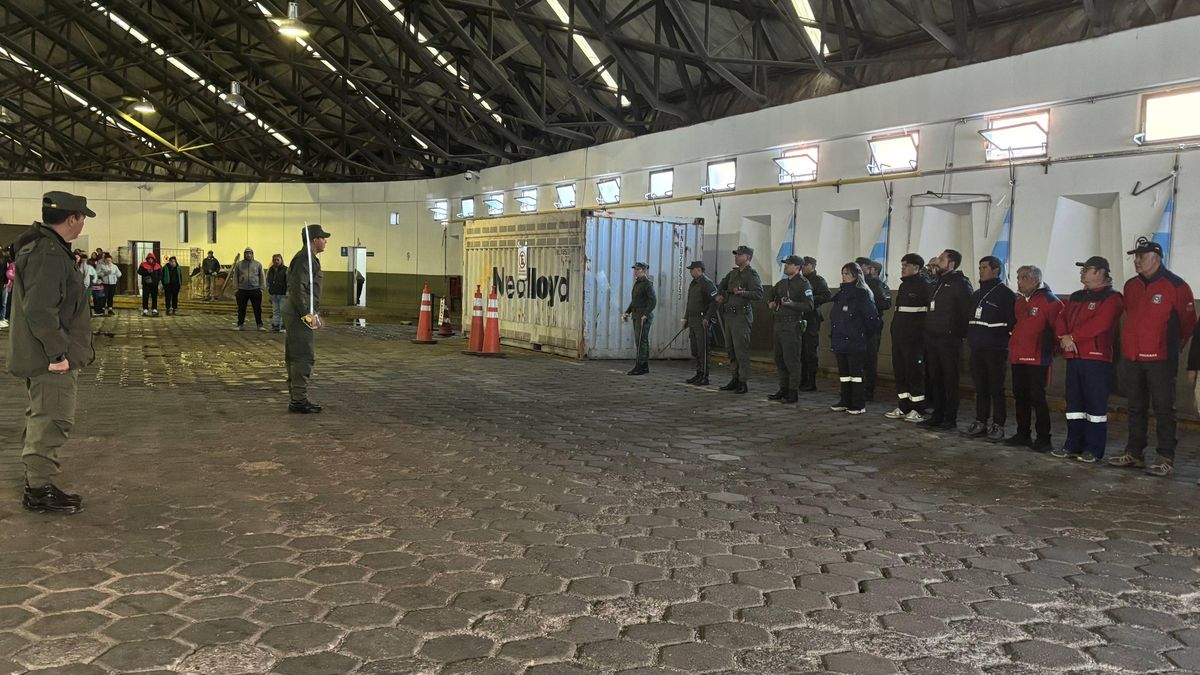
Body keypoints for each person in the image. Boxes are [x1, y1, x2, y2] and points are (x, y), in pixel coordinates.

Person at [7, 191, 96, 513]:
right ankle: (39, 490)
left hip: (39, 354)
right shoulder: (49, 254)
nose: (83, 222)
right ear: (71, 219)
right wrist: (58, 355)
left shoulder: (43, 247)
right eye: (82, 217)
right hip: (48, 358)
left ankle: (38, 481)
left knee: (42, 415)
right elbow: (41, 311)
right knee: (53, 418)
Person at [1108, 237, 1196, 476]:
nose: (1136, 261)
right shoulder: (1131, 286)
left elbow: (1188, 323)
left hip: (1161, 358)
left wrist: (1172, 346)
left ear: (1156, 258)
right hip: (1133, 357)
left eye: (1141, 257)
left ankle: (1165, 455)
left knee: (1164, 408)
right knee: (1135, 406)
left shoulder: (1176, 286)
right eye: (1135, 257)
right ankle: (1134, 453)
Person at [1054, 256, 1123, 462]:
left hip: (1096, 358)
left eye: (1087, 269)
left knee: (1095, 405)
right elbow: (1061, 318)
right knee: (1074, 404)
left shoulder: (1112, 297)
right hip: (1073, 355)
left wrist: (1072, 337)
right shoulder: (1076, 296)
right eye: (1082, 269)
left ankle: (1094, 449)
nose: (1082, 273)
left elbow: (1101, 323)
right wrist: (1064, 338)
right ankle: (1073, 444)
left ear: (1101, 272)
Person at [1007, 265, 1063, 451]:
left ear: (1036, 280)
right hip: (1019, 356)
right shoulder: (1019, 301)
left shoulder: (1050, 302)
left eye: (1024, 278)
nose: (1019, 282)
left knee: (1037, 398)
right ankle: (1023, 433)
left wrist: (1050, 350)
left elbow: (1058, 329)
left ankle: (1043, 438)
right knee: (1020, 396)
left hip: (1038, 357)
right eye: (1018, 278)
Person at [919, 249, 974, 432]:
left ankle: (950, 418)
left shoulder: (960, 284)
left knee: (950, 380)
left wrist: (957, 332)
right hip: (932, 338)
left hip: (949, 340)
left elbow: (967, 311)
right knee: (935, 378)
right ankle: (937, 415)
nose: (937, 262)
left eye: (941, 259)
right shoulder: (938, 283)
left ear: (951, 264)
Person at [964, 256, 1016, 441]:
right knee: (980, 387)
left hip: (995, 349)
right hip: (977, 348)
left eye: (984, 267)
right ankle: (981, 420)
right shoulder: (977, 294)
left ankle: (998, 424)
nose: (981, 271)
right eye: (979, 267)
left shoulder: (1006, 295)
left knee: (996, 388)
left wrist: (1002, 341)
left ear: (996, 270)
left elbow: (1013, 323)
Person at [284, 224, 330, 413]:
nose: (325, 241)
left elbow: (307, 291)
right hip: (298, 314)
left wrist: (313, 313)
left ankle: (297, 398)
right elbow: (298, 289)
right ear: (314, 240)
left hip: (298, 312)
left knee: (295, 356)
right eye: (322, 237)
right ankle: (299, 400)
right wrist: (307, 315)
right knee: (303, 356)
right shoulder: (305, 259)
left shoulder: (309, 259)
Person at [829, 262, 881, 415]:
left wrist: (862, 335)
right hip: (840, 339)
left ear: (855, 275)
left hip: (855, 341)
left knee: (856, 374)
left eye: (847, 273)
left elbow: (871, 318)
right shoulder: (842, 293)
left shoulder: (861, 294)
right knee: (844, 374)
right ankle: (845, 400)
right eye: (843, 273)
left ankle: (858, 403)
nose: (844, 276)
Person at [886, 253, 931, 422]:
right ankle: (903, 406)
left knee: (915, 373)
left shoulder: (924, 286)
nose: (902, 268)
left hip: (915, 339)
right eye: (902, 264)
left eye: (906, 265)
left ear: (916, 268)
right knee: (901, 372)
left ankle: (917, 408)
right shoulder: (904, 286)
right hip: (899, 337)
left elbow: (926, 315)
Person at [766, 255, 814, 403]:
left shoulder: (803, 284)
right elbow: (770, 294)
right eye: (785, 264)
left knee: (791, 360)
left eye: (789, 264)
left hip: (792, 325)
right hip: (779, 324)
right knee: (779, 359)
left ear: (797, 267)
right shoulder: (782, 283)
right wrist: (771, 303)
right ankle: (783, 388)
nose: (786, 266)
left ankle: (793, 392)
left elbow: (809, 306)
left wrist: (792, 304)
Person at [716, 245, 764, 394]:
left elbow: (758, 294)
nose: (736, 257)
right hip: (729, 316)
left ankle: (743, 381)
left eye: (739, 255)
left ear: (747, 258)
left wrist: (743, 293)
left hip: (741, 317)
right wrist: (721, 295)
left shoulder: (751, 275)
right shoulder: (733, 274)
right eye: (736, 254)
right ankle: (734, 378)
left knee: (740, 350)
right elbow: (721, 287)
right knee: (730, 349)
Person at [855, 257, 892, 401]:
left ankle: (868, 391)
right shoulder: (856, 283)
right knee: (857, 359)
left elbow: (885, 303)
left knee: (869, 359)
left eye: (860, 266)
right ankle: (857, 389)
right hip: (856, 326)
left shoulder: (875, 284)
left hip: (870, 326)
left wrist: (870, 307)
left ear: (868, 268)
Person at [799, 256, 832, 391]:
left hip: (811, 318)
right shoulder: (799, 280)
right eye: (802, 265)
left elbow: (826, 295)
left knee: (810, 351)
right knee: (800, 351)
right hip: (798, 317)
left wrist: (810, 300)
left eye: (806, 265)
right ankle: (802, 379)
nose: (803, 267)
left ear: (812, 266)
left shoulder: (818, 280)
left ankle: (811, 381)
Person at [684, 260, 717, 385]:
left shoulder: (707, 283)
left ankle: (704, 375)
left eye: (692, 269)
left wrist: (707, 318)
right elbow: (690, 303)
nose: (690, 271)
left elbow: (715, 302)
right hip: (693, 320)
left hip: (702, 320)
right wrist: (686, 318)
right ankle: (698, 373)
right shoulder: (693, 283)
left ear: (698, 269)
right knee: (695, 349)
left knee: (703, 349)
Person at [623, 262, 656, 375]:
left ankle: (640, 366)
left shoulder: (647, 284)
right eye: (635, 269)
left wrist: (645, 314)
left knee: (641, 341)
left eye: (638, 269)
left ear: (644, 270)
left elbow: (653, 301)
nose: (635, 271)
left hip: (643, 316)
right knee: (640, 341)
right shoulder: (638, 283)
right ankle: (644, 366)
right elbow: (635, 301)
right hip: (637, 315)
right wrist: (628, 311)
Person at [234, 247, 267, 331]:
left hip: (255, 289)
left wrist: (262, 288)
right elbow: (235, 277)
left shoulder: (258, 264)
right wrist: (236, 289)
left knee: (257, 308)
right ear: (244, 254)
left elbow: (262, 276)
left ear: (252, 254)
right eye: (246, 253)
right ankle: (240, 324)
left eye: (250, 253)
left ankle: (259, 325)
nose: (248, 255)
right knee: (241, 308)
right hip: (242, 290)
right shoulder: (239, 265)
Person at [267, 253, 288, 333]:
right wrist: (270, 292)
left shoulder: (286, 270)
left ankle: (283, 327)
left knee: (283, 311)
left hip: (283, 294)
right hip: (274, 294)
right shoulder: (271, 270)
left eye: (278, 260)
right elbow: (269, 281)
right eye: (274, 260)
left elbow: (288, 282)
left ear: (281, 260)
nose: (276, 261)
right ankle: (275, 326)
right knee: (275, 311)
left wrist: (288, 292)